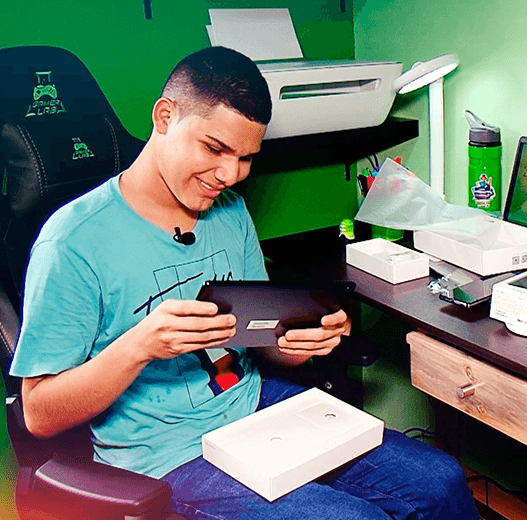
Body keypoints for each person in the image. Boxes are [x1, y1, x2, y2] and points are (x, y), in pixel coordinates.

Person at [10, 47, 479, 520]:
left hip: (255, 406)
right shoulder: (73, 241)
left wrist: (300, 343)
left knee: (439, 481)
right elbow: (39, 414)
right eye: (214, 149)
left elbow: (260, 339)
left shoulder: (230, 211)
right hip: (169, 457)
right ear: (165, 117)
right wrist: (140, 345)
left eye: (246, 157)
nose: (229, 175)